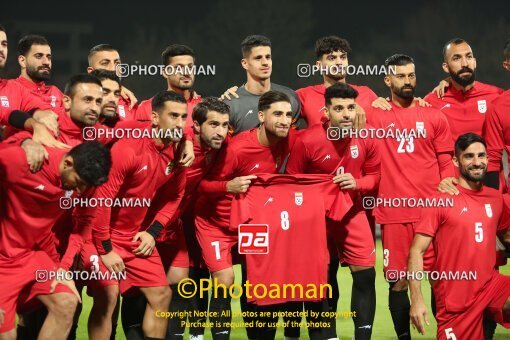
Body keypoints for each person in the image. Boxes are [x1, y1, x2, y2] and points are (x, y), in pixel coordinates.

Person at [366, 54, 455, 340]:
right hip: (394, 215)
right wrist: (369, 103)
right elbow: (335, 111)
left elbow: (446, 163)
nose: (408, 81)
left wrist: (447, 199)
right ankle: (403, 337)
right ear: (388, 80)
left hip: (432, 214)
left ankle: (446, 334)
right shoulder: (374, 115)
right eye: (401, 76)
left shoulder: (433, 115)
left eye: (412, 75)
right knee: (399, 282)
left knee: (440, 281)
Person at [286, 82, 379, 339]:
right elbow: (293, 182)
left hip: (353, 213)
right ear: (326, 112)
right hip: (317, 219)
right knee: (322, 279)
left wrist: (357, 183)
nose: (347, 114)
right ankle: (326, 335)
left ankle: (363, 336)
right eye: (339, 108)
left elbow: (374, 175)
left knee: (365, 276)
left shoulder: (368, 136)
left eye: (351, 107)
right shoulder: (307, 140)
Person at [0, 141, 112, 340]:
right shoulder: (24, 161)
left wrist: (61, 268)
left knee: (67, 302)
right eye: (78, 183)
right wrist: (25, 140)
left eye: (85, 186)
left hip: (31, 254)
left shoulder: (83, 182)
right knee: (6, 333)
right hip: (3, 259)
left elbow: (77, 227)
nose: (79, 190)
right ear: (67, 163)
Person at [409, 133, 510, 339]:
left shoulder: (495, 198)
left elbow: (506, 235)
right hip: (457, 301)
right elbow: (416, 251)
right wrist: (417, 299)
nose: (477, 162)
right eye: (469, 156)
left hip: (490, 285)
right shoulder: (440, 200)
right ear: (456, 160)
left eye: (481, 156)